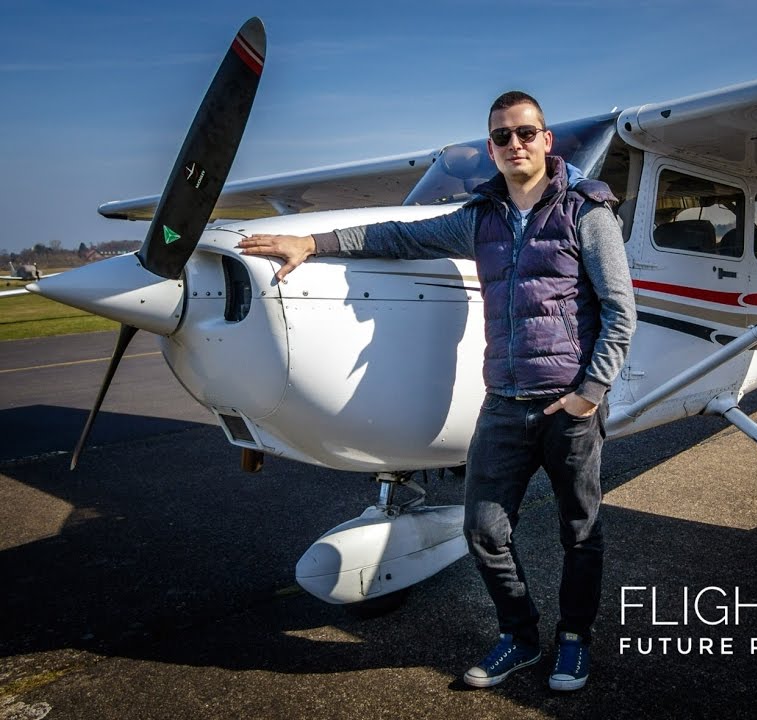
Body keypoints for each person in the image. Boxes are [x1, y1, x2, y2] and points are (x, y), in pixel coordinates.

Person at [238, 91, 636, 692]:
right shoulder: (482, 218)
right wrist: (313, 245)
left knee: (580, 531)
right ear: (492, 148)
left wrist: (590, 391)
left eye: (525, 133)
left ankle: (574, 640)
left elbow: (619, 311)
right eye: (501, 137)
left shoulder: (587, 212)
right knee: (483, 530)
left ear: (546, 139)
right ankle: (520, 635)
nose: (514, 145)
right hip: (503, 401)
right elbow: (400, 237)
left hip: (568, 406)